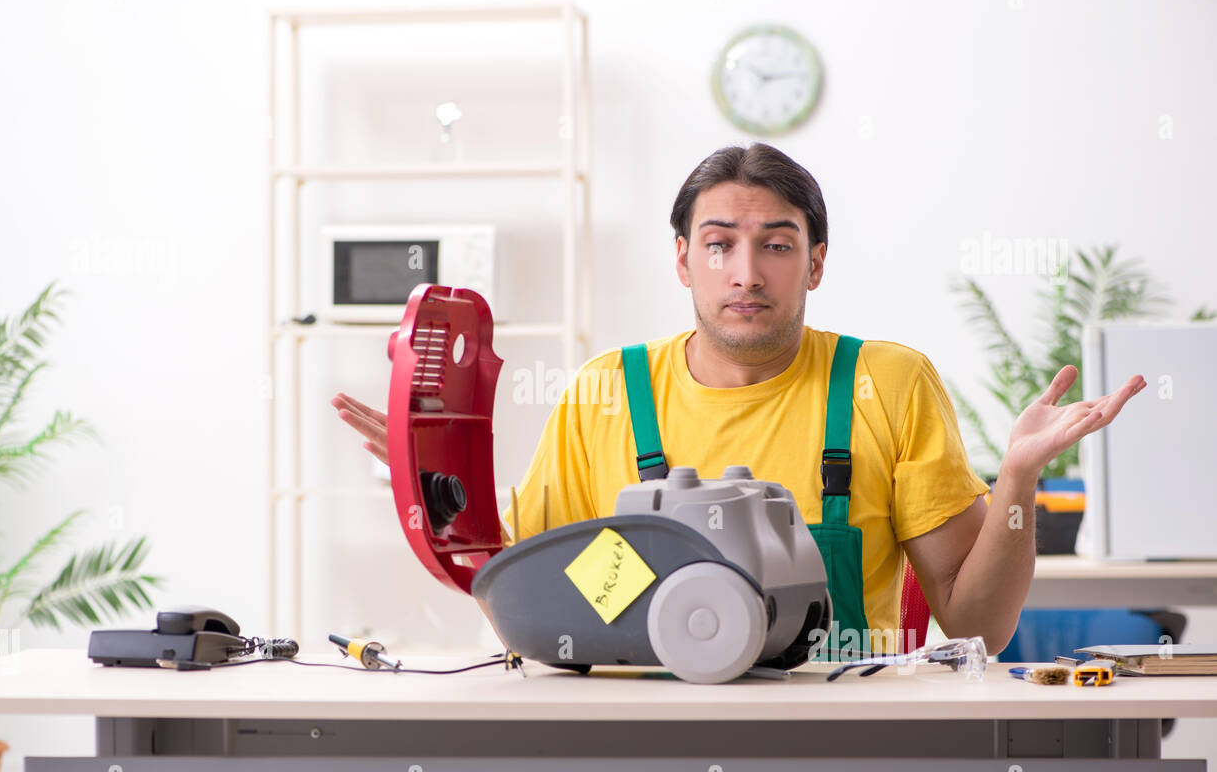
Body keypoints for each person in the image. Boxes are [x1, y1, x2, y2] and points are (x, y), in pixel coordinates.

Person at [332, 143, 1144, 656]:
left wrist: (1017, 485)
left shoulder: (887, 384)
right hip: (640, 747)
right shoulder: (606, 392)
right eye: (719, 244)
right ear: (683, 260)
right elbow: (540, 613)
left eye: (776, 245)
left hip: (854, 746)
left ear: (816, 263)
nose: (746, 272)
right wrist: (442, 487)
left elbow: (977, 630)